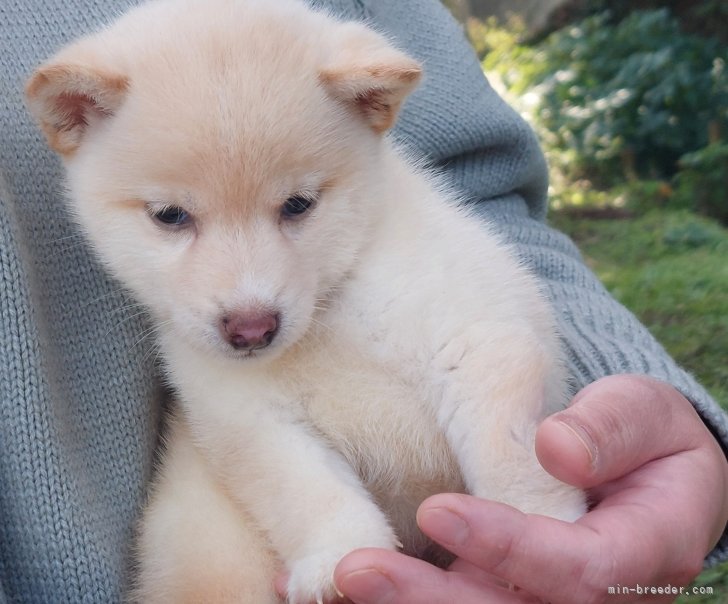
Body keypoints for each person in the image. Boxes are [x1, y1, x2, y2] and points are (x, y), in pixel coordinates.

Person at [0, 0, 725, 602]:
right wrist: (334, 546)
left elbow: (487, 334)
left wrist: (544, 522)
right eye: (170, 216)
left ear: (372, 103)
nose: (247, 298)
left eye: (296, 206)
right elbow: (245, 435)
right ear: (73, 116)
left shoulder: (402, 225)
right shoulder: (105, 116)